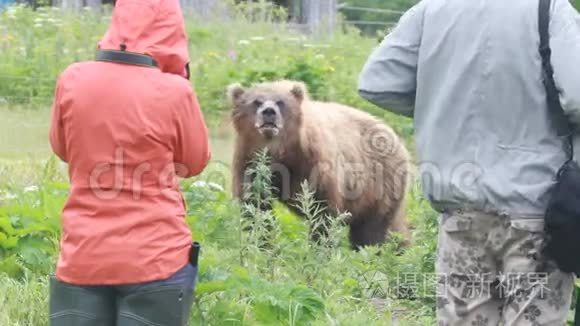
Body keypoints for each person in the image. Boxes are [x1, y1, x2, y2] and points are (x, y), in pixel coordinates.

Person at [358, 0, 580, 324]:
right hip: (537, 210)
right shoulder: (550, 9)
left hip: (460, 210)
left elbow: (376, 82)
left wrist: (443, 108)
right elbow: (576, 95)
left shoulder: (431, 10)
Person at [48, 0, 211, 324]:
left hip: (84, 254)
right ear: (171, 32)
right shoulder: (175, 91)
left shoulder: (72, 78)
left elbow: (62, 147)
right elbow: (195, 162)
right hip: (157, 258)